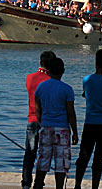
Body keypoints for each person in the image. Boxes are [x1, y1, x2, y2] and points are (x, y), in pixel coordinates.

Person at [74, 50, 102, 189]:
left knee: (84, 156)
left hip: (90, 124)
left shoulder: (87, 80)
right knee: (99, 158)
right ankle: (95, 186)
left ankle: (77, 185)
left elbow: (86, 95)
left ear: (95, 63)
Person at [33, 57, 78, 189]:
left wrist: (42, 123)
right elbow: (71, 113)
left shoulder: (41, 87)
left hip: (46, 126)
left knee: (43, 159)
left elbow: (37, 109)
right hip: (62, 129)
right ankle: (59, 187)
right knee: (61, 162)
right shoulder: (67, 89)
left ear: (48, 71)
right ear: (63, 71)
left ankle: (38, 184)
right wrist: (75, 132)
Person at [22, 51, 56, 189]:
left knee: (29, 153)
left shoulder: (29, 78)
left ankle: (25, 183)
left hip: (31, 119)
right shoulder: (50, 81)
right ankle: (38, 183)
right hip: (46, 121)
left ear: (40, 62)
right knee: (44, 154)